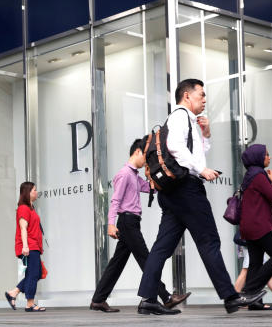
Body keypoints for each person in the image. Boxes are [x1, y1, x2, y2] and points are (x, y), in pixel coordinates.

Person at [136, 79, 263, 315]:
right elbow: (175, 147)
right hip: (186, 189)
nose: (204, 100)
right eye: (201, 95)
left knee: (162, 247)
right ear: (187, 95)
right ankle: (230, 296)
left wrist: (205, 134)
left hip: (173, 193)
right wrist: (200, 170)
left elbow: (195, 151)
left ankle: (148, 299)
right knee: (209, 242)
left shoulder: (185, 120)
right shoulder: (180, 116)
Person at [89, 141, 190, 313]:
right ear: (137, 151)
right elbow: (115, 201)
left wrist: (152, 173)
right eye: (145, 156)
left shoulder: (134, 176)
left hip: (131, 222)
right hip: (127, 222)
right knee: (147, 259)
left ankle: (98, 300)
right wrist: (110, 224)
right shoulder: (124, 174)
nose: (146, 161)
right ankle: (166, 297)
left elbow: (152, 189)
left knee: (117, 263)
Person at [238, 143, 272, 311]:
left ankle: (254, 302)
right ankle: (249, 291)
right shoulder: (259, 176)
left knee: (255, 263)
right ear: (258, 157)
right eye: (266, 154)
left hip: (249, 226)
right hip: (259, 225)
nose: (269, 157)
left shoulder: (249, 175)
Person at [5, 182, 46, 312]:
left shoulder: (31, 208)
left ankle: (13, 292)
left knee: (37, 273)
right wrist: (26, 246)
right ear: (27, 192)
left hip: (34, 245)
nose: (36, 192)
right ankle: (30, 303)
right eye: (34, 190)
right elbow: (23, 228)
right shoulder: (23, 208)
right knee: (34, 274)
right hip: (29, 246)